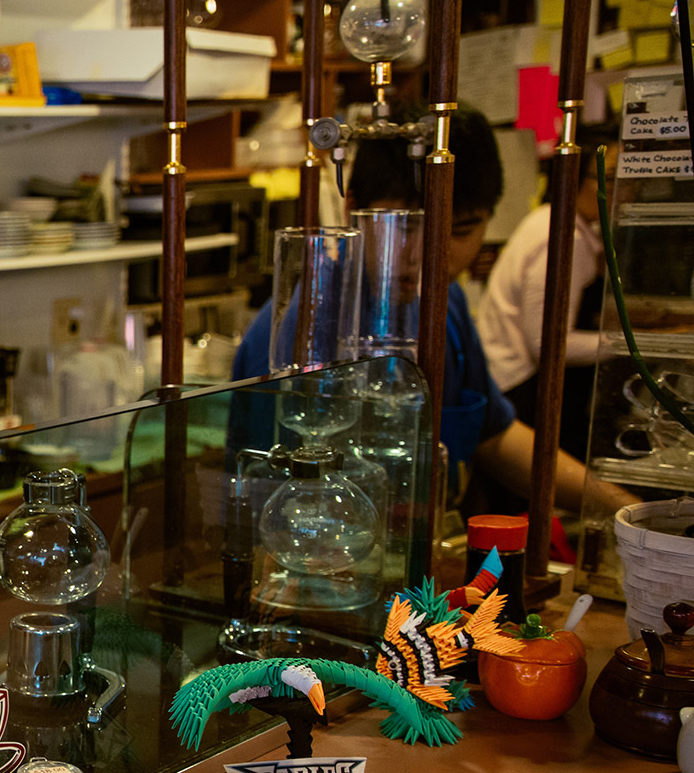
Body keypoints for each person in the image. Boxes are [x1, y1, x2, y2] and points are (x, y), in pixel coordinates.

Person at [232, 108, 634, 517]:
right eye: (404, 228)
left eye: (459, 232)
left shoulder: (446, 302)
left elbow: (493, 436)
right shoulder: (300, 326)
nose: (427, 257)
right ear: (354, 207)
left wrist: (622, 510)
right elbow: (270, 497)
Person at [474, 125, 612, 458]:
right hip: (518, 390)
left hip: (514, 384)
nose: (626, 189)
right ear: (577, 179)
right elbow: (548, 345)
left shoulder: (559, 223)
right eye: (611, 178)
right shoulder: (563, 236)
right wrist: (627, 347)